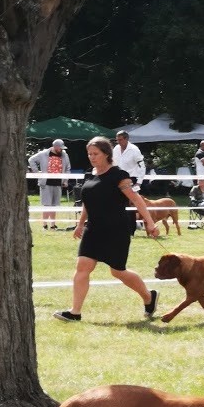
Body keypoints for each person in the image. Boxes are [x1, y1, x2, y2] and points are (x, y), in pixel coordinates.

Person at [54, 137, 161, 323]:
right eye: (89, 154)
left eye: (95, 154)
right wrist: (80, 224)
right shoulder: (90, 175)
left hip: (116, 230)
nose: (92, 157)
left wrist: (150, 223)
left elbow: (136, 200)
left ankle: (149, 297)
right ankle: (75, 312)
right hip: (93, 229)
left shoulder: (119, 175)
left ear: (106, 154)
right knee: (82, 267)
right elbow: (88, 203)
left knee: (118, 272)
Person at [28, 139, 71, 229]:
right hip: (46, 183)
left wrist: (65, 180)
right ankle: (44, 225)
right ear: (55, 147)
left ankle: (52, 225)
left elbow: (68, 168)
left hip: (58, 183)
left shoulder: (65, 155)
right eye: (60, 148)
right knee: (47, 205)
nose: (61, 150)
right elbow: (31, 160)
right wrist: (37, 172)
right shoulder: (43, 153)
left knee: (54, 205)